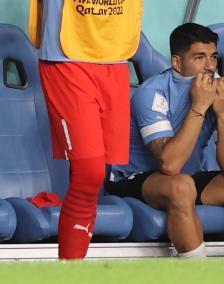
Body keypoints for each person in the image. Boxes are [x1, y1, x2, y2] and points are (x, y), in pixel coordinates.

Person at [106, 23, 224, 258]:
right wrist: (199, 106)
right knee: (181, 186)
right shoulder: (152, 92)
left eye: (213, 57)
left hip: (188, 179)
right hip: (135, 179)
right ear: (177, 62)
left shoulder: (221, 91)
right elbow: (169, 165)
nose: (210, 67)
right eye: (199, 58)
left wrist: (223, 114)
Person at [28, 0, 143, 259]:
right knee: (89, 172)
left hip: (114, 55)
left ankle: (73, 266)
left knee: (93, 177)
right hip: (67, 55)